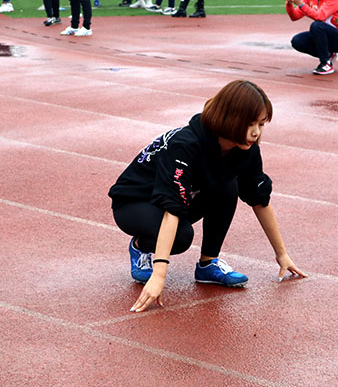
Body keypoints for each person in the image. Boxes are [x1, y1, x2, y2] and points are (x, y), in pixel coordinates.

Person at [108, 80, 307, 313]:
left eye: (261, 124)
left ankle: (208, 264)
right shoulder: (185, 145)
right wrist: (160, 274)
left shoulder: (246, 149)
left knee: (228, 185)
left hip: (178, 198)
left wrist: (282, 254)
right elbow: (172, 205)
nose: (256, 132)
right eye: (250, 124)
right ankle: (140, 246)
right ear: (230, 118)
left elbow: (259, 199)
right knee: (181, 237)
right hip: (134, 202)